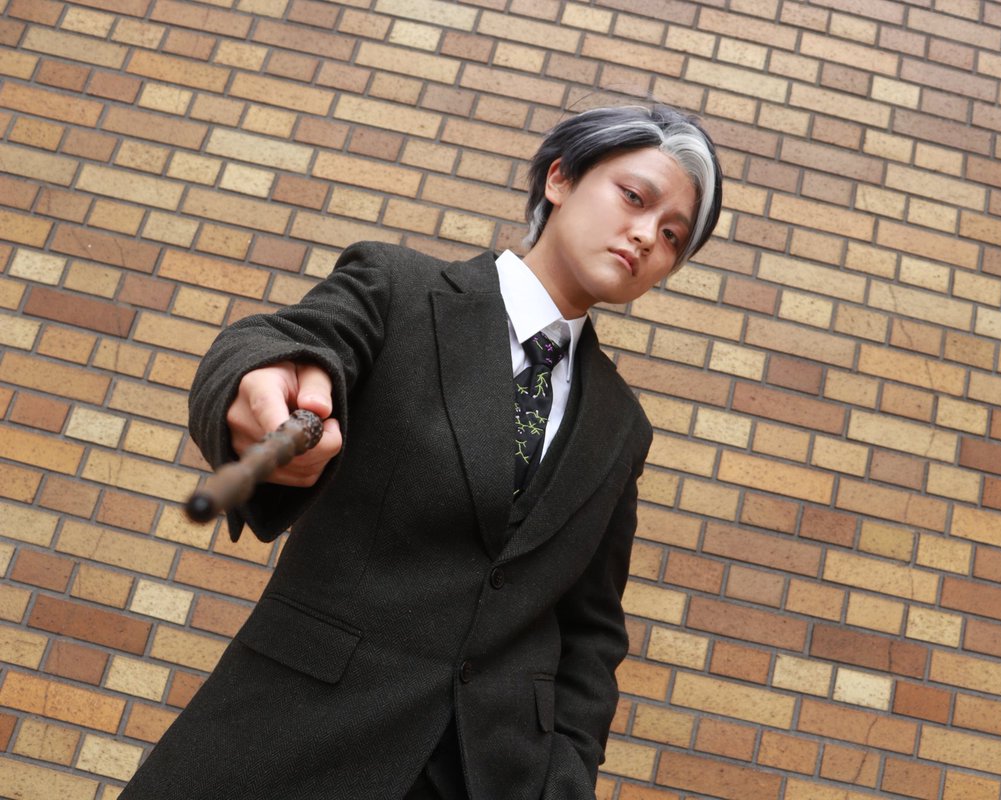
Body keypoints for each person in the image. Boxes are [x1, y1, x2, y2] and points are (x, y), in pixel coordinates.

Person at [121, 104, 723, 800]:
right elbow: (284, 344)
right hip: (293, 737)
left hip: (488, 777)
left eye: (673, 235)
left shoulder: (621, 425)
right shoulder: (399, 289)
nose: (647, 235)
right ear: (559, 179)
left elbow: (590, 632)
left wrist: (564, 776)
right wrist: (260, 383)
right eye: (635, 197)